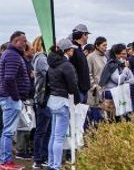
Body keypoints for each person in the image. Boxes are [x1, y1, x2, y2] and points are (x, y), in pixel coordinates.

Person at [0, 31, 32, 170]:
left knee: (8, 131)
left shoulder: (11, 54)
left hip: (9, 97)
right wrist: (16, 96)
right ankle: (5, 163)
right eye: (24, 41)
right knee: (8, 132)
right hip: (11, 98)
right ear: (16, 41)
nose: (26, 44)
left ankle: (5, 162)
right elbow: (9, 78)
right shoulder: (12, 55)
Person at [46, 38, 81, 170]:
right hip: (63, 102)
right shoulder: (66, 65)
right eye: (71, 49)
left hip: (53, 100)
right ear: (68, 50)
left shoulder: (52, 63)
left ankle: (51, 163)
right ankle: (56, 166)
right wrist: (77, 100)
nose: (73, 51)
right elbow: (73, 85)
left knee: (54, 135)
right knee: (59, 137)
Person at [99, 43, 134, 121]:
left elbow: (132, 80)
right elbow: (117, 79)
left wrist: (124, 78)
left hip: (119, 93)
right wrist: (125, 69)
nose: (125, 56)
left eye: (125, 53)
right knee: (111, 119)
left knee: (120, 119)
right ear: (116, 54)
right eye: (123, 54)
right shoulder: (112, 64)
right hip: (110, 94)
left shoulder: (122, 64)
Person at [31, 36, 50, 169]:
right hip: (43, 98)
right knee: (42, 130)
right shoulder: (42, 58)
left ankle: (42, 157)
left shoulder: (39, 57)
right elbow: (49, 74)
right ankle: (39, 158)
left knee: (44, 129)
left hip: (42, 97)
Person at [15, 41, 35, 161]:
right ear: (25, 51)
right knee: (23, 124)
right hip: (25, 97)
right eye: (31, 49)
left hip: (28, 96)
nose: (33, 51)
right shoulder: (23, 62)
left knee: (29, 124)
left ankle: (25, 148)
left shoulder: (28, 62)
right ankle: (21, 150)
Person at [87, 36, 108, 124]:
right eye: (103, 45)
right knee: (94, 117)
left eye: (106, 45)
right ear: (97, 46)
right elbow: (88, 73)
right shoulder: (90, 57)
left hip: (104, 91)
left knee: (103, 118)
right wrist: (94, 86)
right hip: (94, 92)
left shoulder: (106, 58)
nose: (106, 47)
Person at [70, 24, 91, 103]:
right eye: (87, 35)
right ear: (83, 35)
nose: (88, 37)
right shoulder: (73, 50)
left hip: (83, 89)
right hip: (79, 90)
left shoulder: (79, 49)